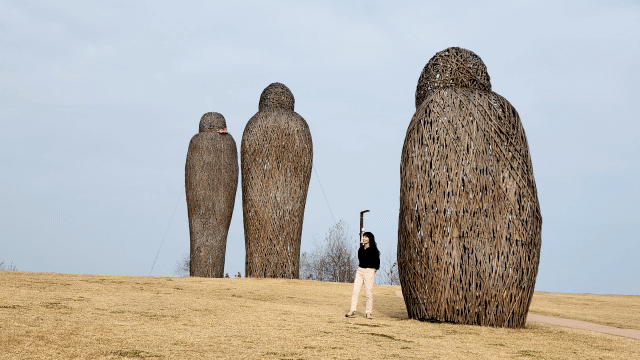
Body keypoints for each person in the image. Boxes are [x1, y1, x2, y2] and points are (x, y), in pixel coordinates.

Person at [346, 231, 380, 319]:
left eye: (366, 237)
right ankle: (352, 311)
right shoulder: (360, 249)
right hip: (360, 270)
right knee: (355, 291)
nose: (364, 238)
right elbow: (360, 259)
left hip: (369, 271)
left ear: (370, 239)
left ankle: (369, 312)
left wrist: (373, 270)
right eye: (363, 237)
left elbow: (377, 263)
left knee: (369, 293)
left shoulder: (374, 250)